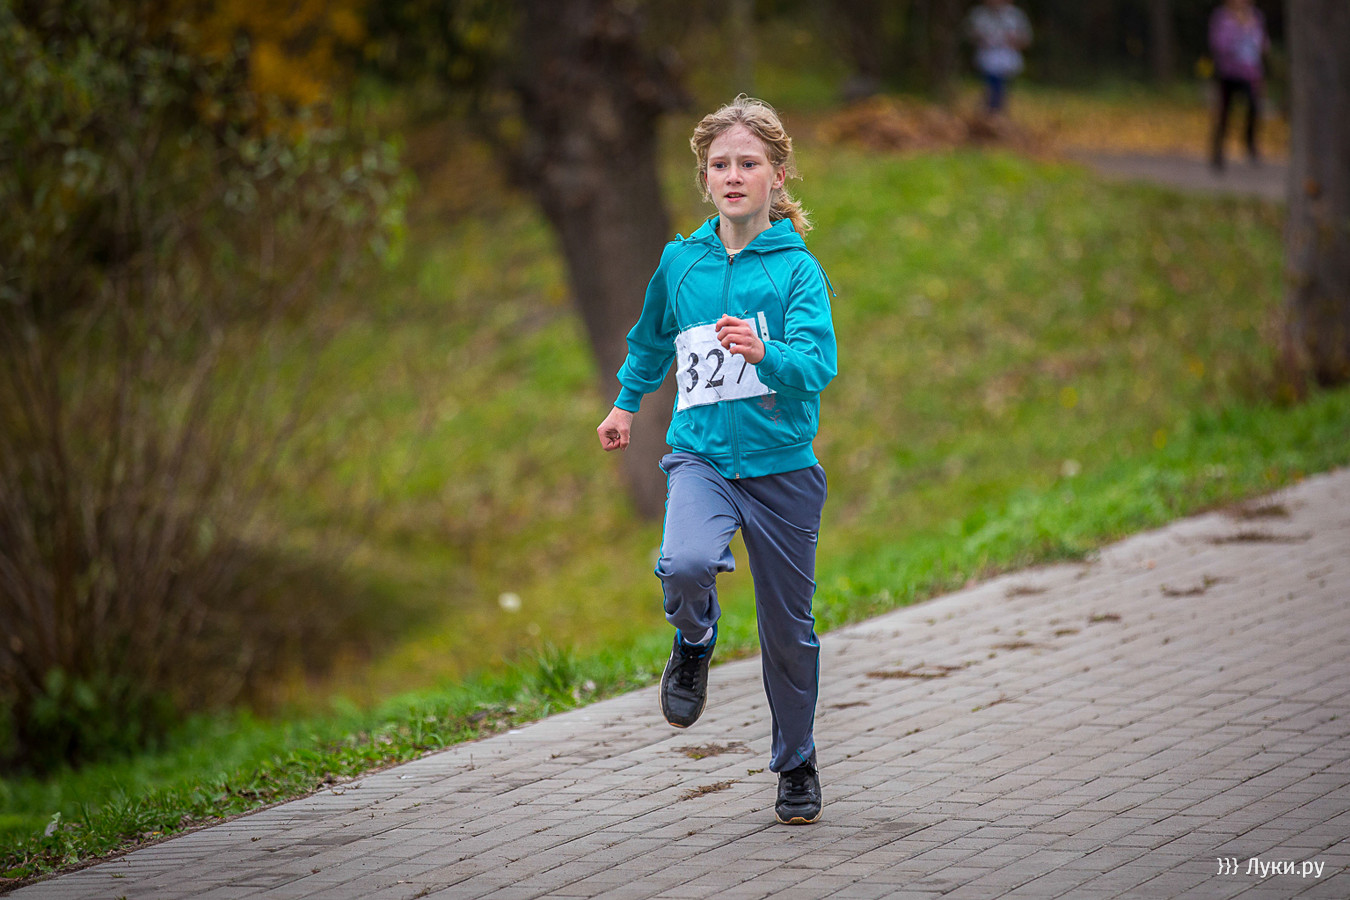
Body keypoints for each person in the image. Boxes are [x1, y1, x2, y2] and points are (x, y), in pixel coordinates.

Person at [595, 95, 837, 825]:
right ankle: (695, 639)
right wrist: (625, 405)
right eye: (720, 164)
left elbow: (818, 364)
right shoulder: (681, 263)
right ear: (704, 178)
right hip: (700, 458)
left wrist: (767, 352)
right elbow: (649, 341)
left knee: (788, 634)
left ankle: (796, 764)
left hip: (782, 467)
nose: (734, 175)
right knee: (685, 564)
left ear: (777, 175)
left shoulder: (798, 272)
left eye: (748, 163)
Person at [1208, 0, 1269, 170]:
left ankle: (1250, 145)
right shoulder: (1222, 16)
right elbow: (1218, 44)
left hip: (1251, 74)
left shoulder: (1256, 16)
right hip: (1227, 73)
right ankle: (1218, 152)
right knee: (1224, 113)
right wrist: (1240, 28)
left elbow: (1263, 44)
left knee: (1254, 108)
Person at [966, 0, 1033, 116]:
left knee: (1002, 90)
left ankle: (995, 114)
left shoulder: (1015, 15)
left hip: (1008, 60)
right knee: (990, 88)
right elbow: (969, 34)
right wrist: (980, 38)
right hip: (986, 58)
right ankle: (989, 113)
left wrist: (1014, 40)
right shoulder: (979, 14)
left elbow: (1026, 39)